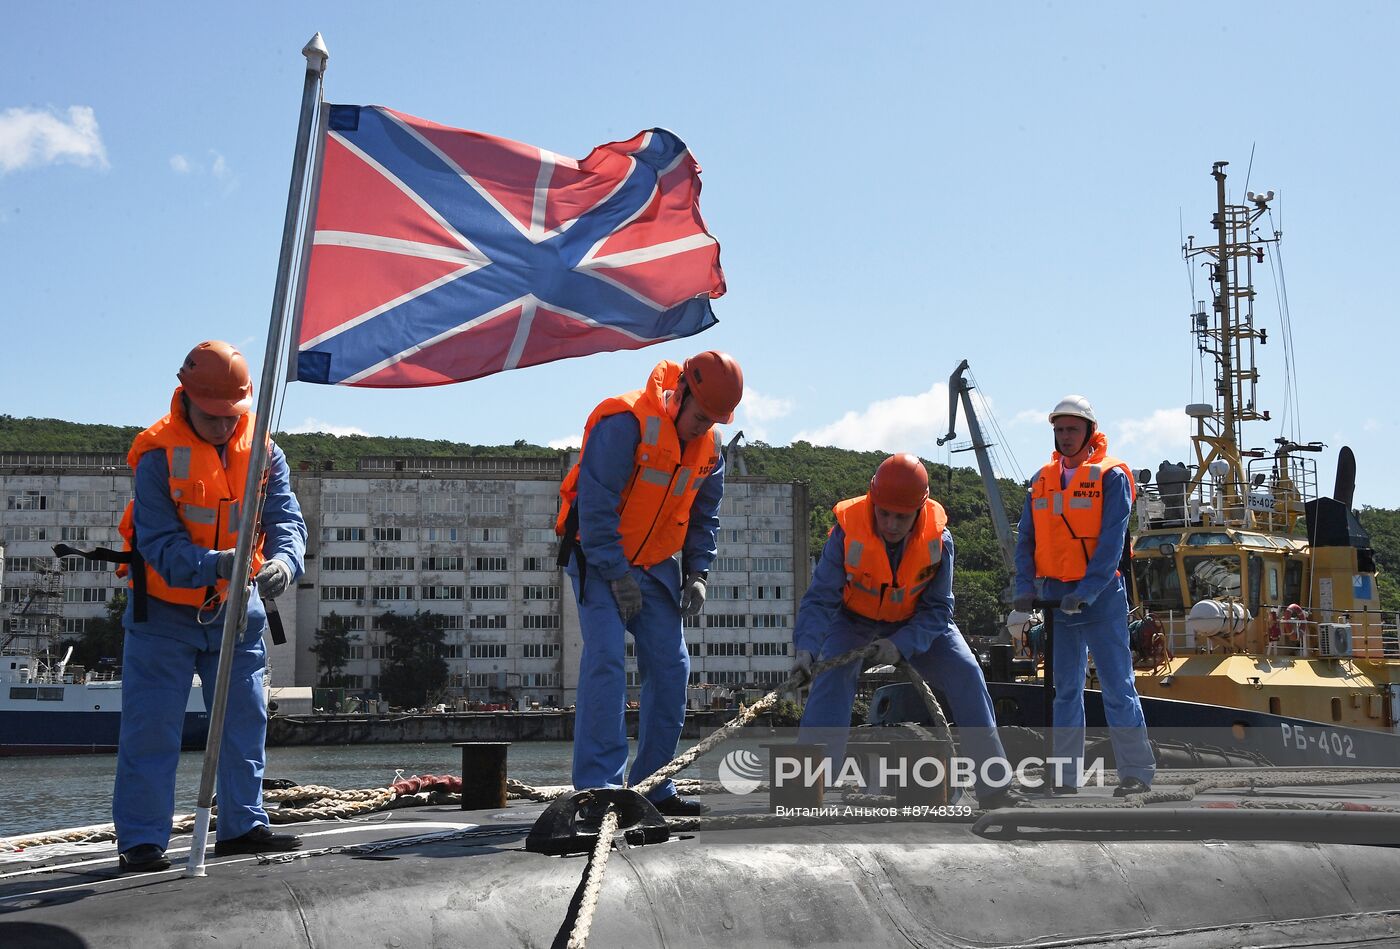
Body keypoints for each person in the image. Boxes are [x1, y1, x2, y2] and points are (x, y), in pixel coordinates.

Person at [112, 341, 308, 872]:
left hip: (237, 614)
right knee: (152, 730)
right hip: (164, 618)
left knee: (246, 720)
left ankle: (243, 827)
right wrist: (219, 563)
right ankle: (142, 841)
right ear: (187, 398)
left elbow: (287, 521)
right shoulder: (156, 455)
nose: (223, 427)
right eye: (212, 416)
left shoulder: (266, 451)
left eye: (232, 416)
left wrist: (286, 563)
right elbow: (157, 543)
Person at [555, 351, 742, 816]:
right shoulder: (624, 424)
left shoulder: (710, 450)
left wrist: (698, 573)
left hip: (657, 565)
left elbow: (705, 517)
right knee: (605, 662)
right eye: (698, 417)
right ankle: (600, 792)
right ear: (679, 394)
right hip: (599, 561)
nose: (702, 429)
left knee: (673, 666)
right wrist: (617, 576)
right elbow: (595, 510)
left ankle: (654, 785)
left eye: (712, 422)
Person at [792, 454, 1025, 810]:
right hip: (854, 622)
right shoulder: (845, 532)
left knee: (967, 673)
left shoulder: (939, 541)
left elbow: (938, 609)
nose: (891, 523)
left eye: (901, 516)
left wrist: (900, 645)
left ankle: (995, 789)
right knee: (832, 676)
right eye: (884, 513)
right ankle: (808, 790)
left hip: (918, 622)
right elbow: (820, 599)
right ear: (872, 502)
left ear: (919, 510)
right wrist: (806, 649)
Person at [1012, 395, 1155, 796]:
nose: (1065, 436)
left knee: (1117, 685)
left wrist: (1089, 589)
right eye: (1059, 430)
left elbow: (1112, 540)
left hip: (1102, 595)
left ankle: (1136, 773)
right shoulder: (1041, 479)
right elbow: (1026, 538)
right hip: (1057, 596)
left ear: (1090, 432)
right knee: (1065, 691)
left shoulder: (1111, 476)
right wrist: (1025, 586)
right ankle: (1063, 777)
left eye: (1072, 429)